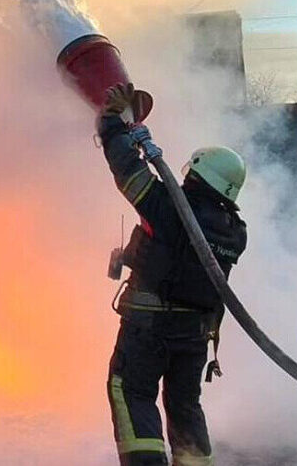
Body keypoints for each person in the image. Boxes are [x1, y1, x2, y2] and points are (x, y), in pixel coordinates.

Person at [98, 83, 248, 466]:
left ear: (198, 175)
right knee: (184, 406)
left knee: (132, 392)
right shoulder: (234, 230)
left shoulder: (173, 208)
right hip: (194, 336)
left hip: (149, 331)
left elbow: (127, 171)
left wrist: (112, 122)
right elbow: (180, 256)